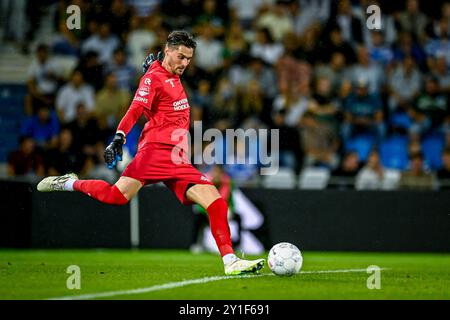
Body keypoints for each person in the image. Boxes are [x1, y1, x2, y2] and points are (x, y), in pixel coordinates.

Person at [37, 30, 264, 276]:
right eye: (180, 57)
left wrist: (154, 67)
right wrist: (119, 138)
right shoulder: (153, 78)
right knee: (117, 197)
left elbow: (162, 88)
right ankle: (70, 183)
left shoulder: (166, 72)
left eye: (188, 59)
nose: (185, 63)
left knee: (217, 203)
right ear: (167, 50)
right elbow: (135, 109)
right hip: (155, 152)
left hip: (177, 158)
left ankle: (230, 261)